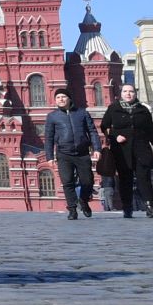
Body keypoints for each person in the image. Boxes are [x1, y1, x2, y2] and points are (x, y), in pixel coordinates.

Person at [101, 83, 153, 218]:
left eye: (131, 92)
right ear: (121, 94)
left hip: (141, 149)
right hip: (122, 151)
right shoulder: (113, 109)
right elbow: (104, 127)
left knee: (144, 178)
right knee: (125, 179)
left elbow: (151, 132)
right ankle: (127, 206)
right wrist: (114, 135)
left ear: (135, 94)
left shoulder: (142, 110)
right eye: (125, 91)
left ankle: (150, 206)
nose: (128, 94)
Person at [44, 89, 101, 219]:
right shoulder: (52, 116)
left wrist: (97, 148)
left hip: (82, 153)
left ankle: (83, 200)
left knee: (88, 181)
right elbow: (49, 138)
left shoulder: (82, 113)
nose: (61, 99)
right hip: (64, 153)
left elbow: (92, 132)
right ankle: (72, 209)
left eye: (63, 96)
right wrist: (49, 156)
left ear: (69, 98)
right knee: (67, 182)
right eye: (58, 97)